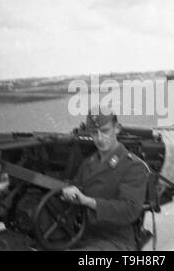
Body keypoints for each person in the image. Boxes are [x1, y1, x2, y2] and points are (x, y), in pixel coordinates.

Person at [61, 105, 150, 251]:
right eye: (94, 133)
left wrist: (88, 201)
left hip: (116, 241)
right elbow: (76, 187)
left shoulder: (133, 166)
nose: (100, 138)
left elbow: (129, 210)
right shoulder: (88, 162)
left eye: (105, 131)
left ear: (117, 128)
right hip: (84, 235)